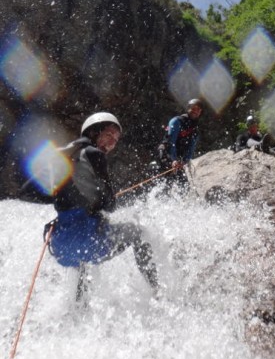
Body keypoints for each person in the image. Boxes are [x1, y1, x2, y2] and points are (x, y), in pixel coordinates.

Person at [21, 112, 159, 298]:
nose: (112, 143)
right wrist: (94, 203)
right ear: (94, 132)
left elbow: (27, 191)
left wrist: (62, 200)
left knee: (83, 261)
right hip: (89, 240)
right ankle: (157, 291)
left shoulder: (63, 153)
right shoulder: (94, 153)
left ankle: (79, 308)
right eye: (109, 134)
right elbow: (110, 204)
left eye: (116, 140)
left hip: (61, 245)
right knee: (137, 234)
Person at [157, 98, 203, 190]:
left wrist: (185, 162)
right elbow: (171, 142)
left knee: (183, 186)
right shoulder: (176, 121)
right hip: (166, 155)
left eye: (198, 110)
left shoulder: (195, 130)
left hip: (179, 159)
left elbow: (191, 149)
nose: (195, 111)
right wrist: (173, 160)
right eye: (193, 108)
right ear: (188, 108)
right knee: (164, 184)